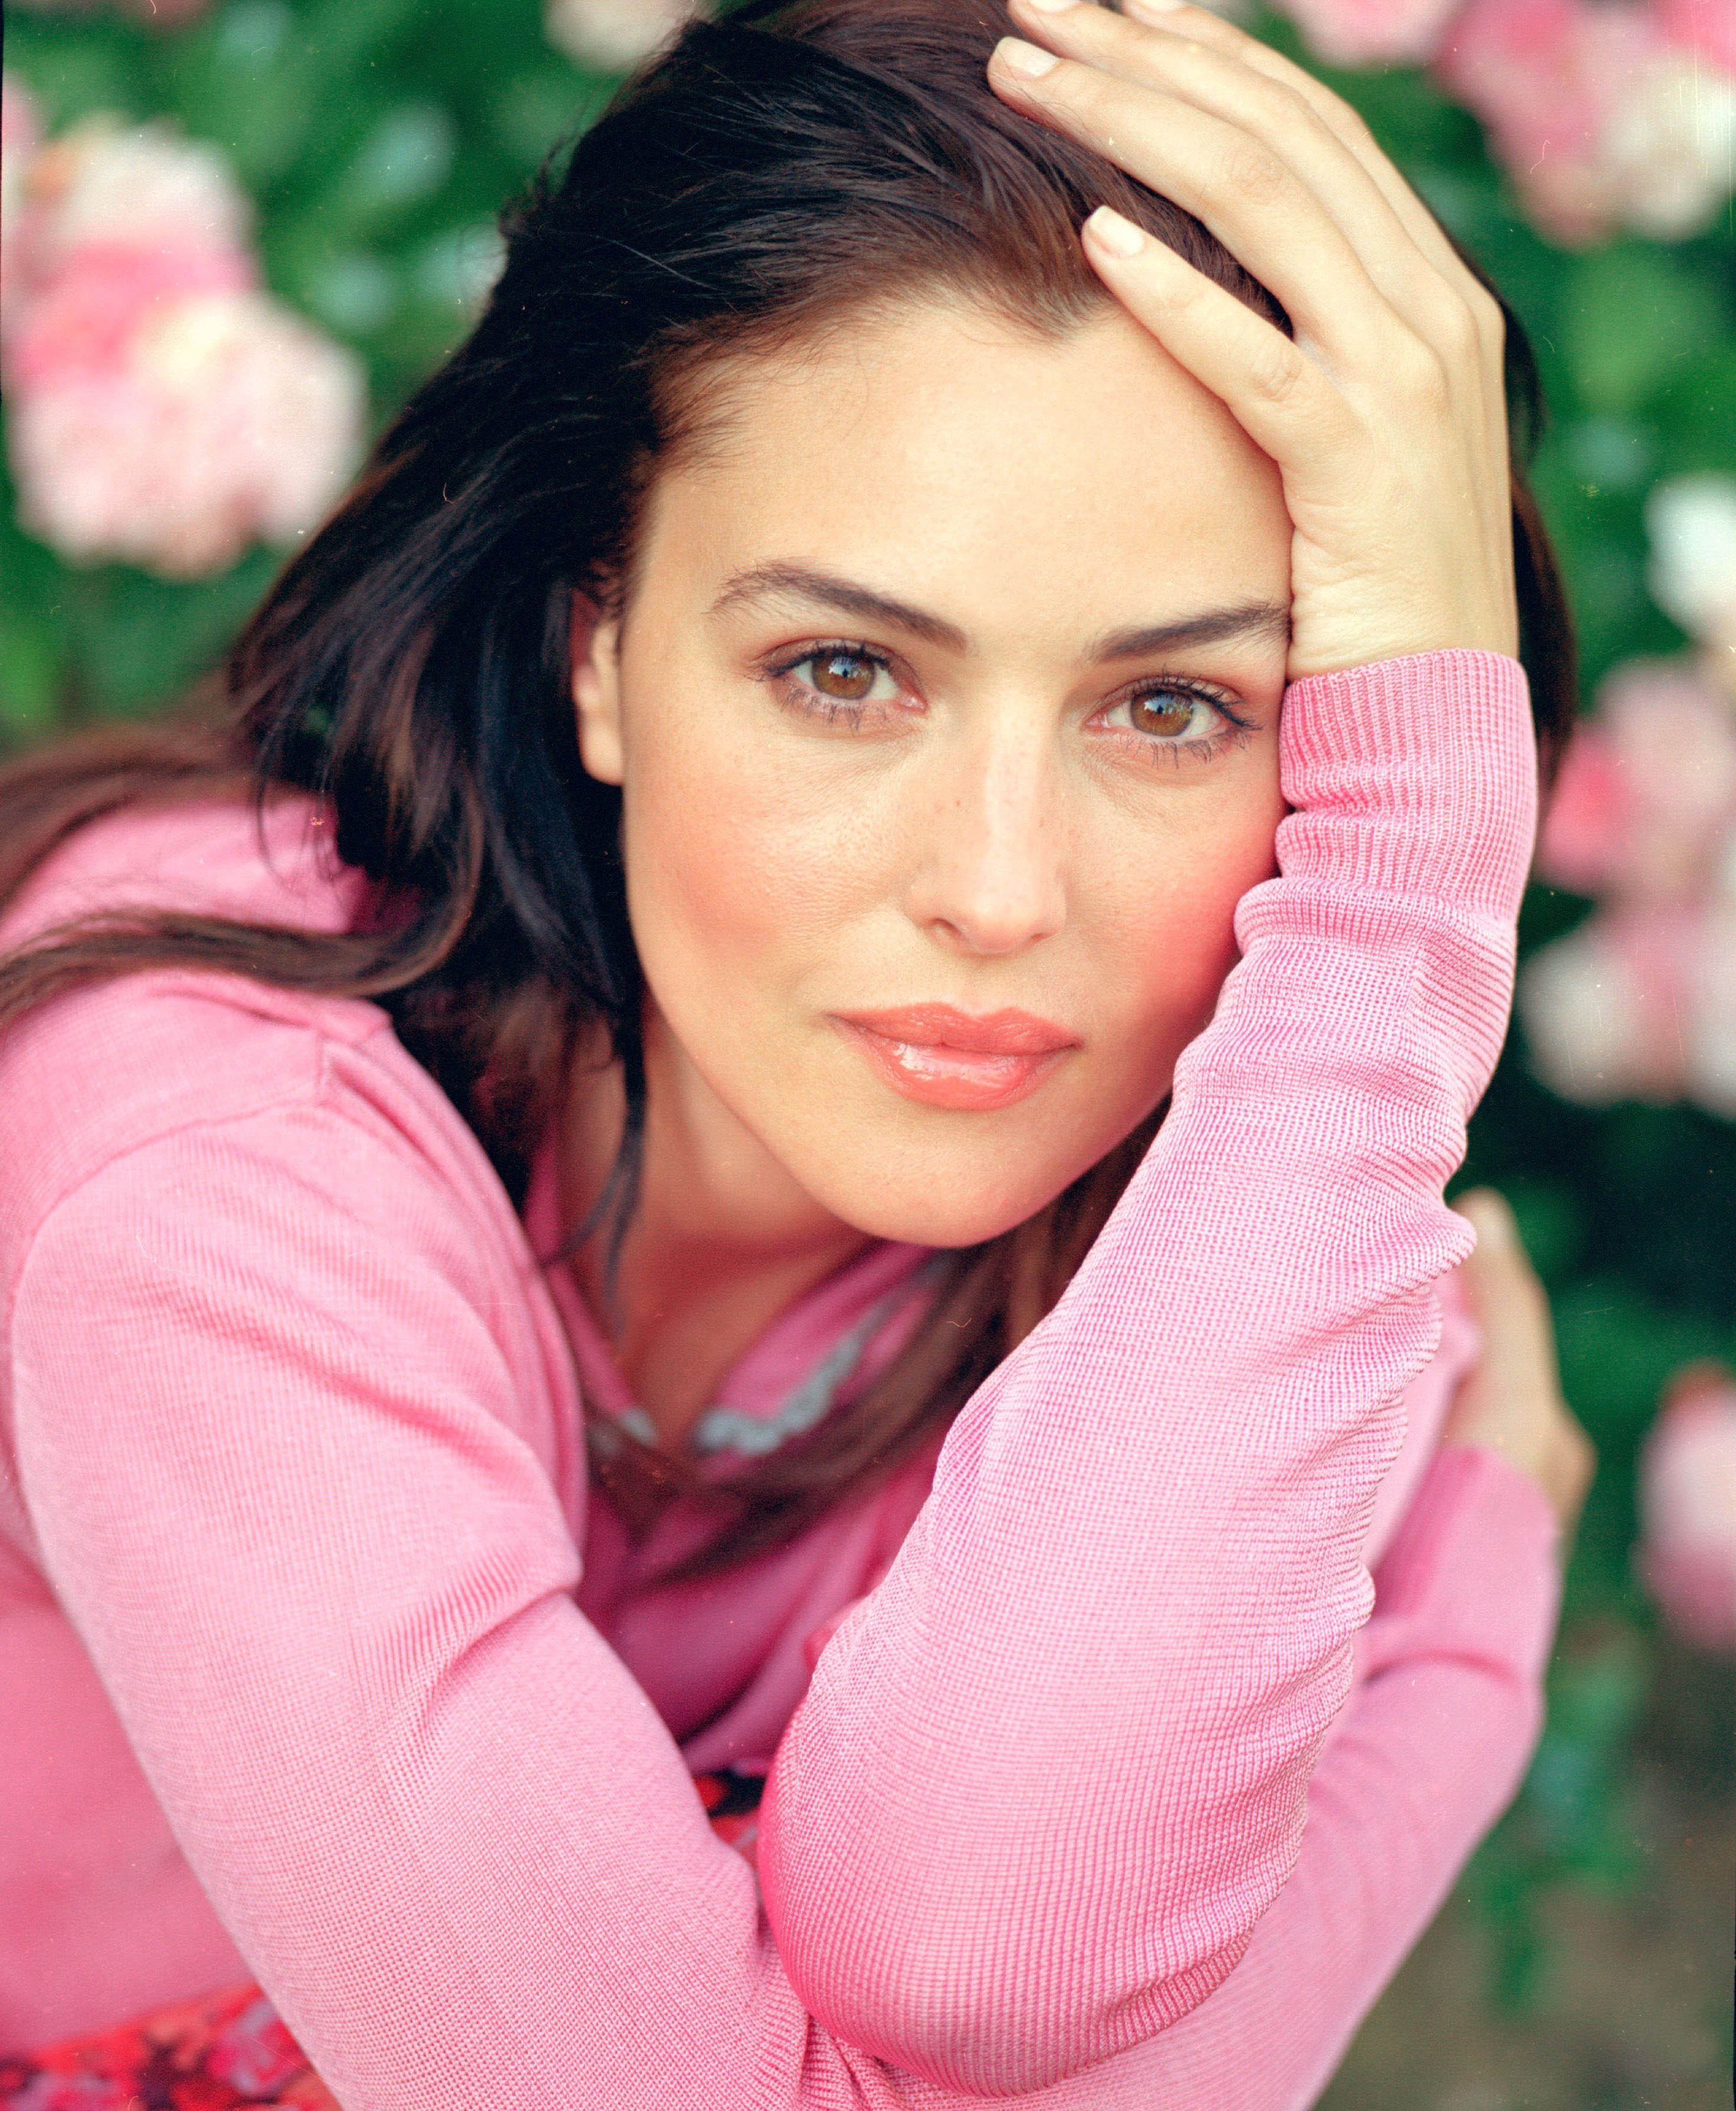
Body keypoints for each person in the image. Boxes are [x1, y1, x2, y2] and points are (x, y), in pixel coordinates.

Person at [0, 0, 1593, 2103]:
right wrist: (1450, 1671)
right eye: (842, 672)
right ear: (598, 648)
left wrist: (1399, 912)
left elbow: (979, 1962)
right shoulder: (201, 1161)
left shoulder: (1260, 1248)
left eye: (1173, 710)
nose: (996, 890)